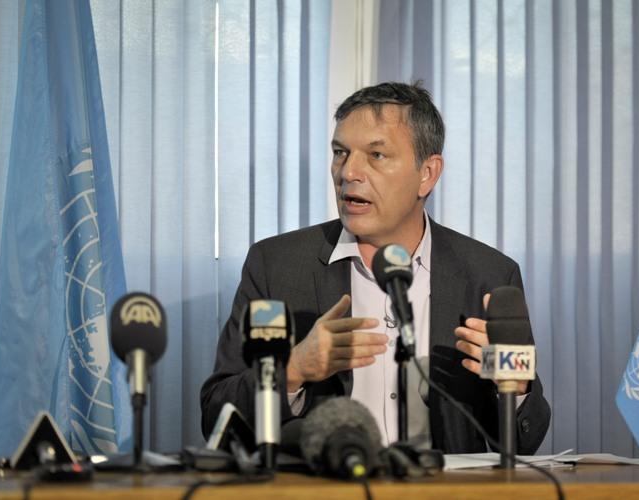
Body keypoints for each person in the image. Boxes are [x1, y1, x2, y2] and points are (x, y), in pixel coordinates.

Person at [200, 82, 550, 454]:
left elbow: (525, 441)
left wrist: (513, 387)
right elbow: (216, 418)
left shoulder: (488, 274)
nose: (348, 172)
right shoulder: (277, 265)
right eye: (340, 152)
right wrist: (292, 371)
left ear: (427, 173)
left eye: (376, 155)